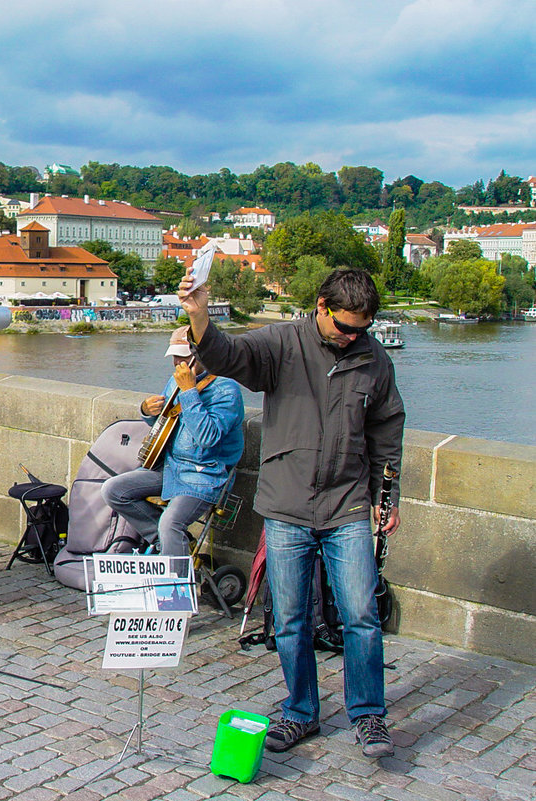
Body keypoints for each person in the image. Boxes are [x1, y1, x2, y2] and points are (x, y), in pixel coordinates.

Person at [179, 267, 405, 759]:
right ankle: (301, 711)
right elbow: (228, 355)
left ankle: (369, 716)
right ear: (322, 306)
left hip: (347, 504)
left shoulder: (374, 358)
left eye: (361, 329)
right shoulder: (283, 343)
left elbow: (387, 429)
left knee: (362, 616)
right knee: (289, 617)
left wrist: (389, 497)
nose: (352, 338)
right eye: (345, 327)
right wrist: (198, 315)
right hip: (286, 504)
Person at [101, 326, 245, 556]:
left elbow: (208, 438)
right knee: (113, 490)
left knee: (171, 523)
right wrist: (147, 411)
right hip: (170, 467)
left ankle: (173, 586)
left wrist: (189, 392)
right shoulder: (175, 380)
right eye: (175, 356)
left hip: (203, 475)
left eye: (184, 356)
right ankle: (167, 544)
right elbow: (165, 425)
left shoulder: (226, 391)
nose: (178, 362)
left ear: (202, 355)